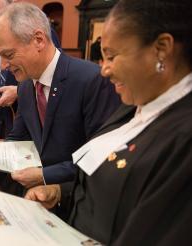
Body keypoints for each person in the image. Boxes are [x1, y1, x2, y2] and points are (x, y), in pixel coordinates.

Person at [26, 0, 192, 244]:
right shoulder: (131, 106)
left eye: (111, 56)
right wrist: (61, 192)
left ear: (162, 48)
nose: (104, 70)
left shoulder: (183, 139)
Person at [0, 3, 120, 194]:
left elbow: (103, 157)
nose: (3, 66)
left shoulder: (92, 80)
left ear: (38, 40)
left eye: (9, 55)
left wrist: (46, 176)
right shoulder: (27, 86)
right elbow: (18, 139)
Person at [0, 0, 63, 193]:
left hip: (36, 141)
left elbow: (52, 77)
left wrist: (19, 91)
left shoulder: (42, 34)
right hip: (0, 132)